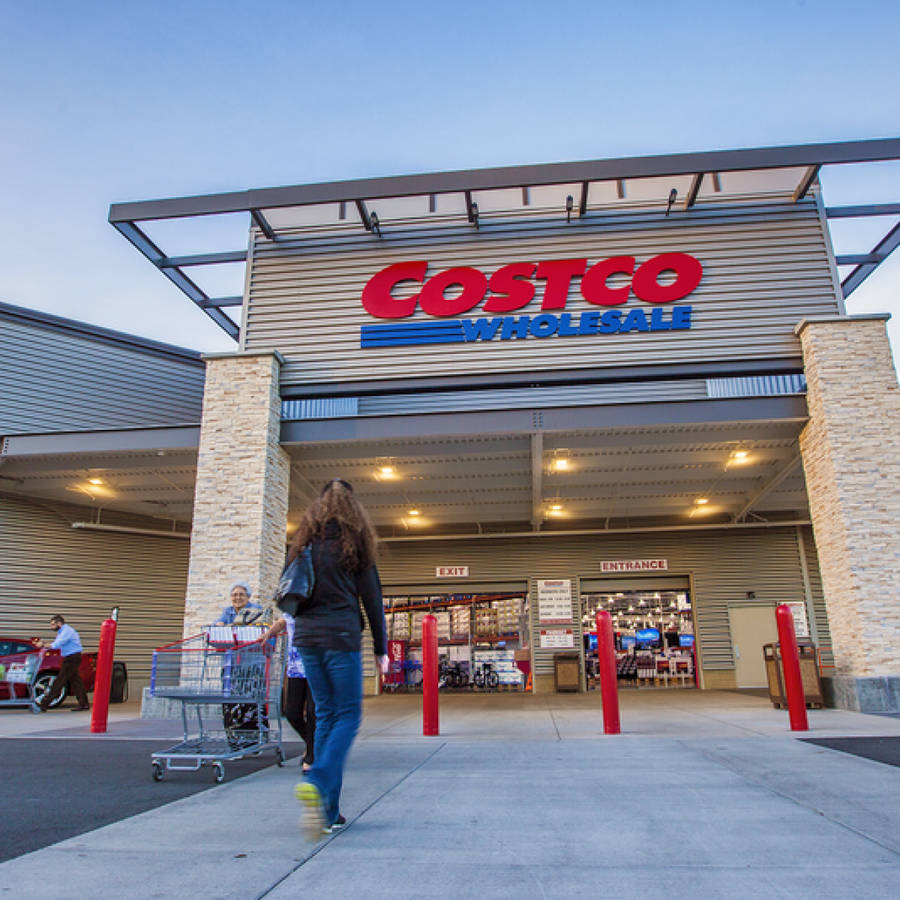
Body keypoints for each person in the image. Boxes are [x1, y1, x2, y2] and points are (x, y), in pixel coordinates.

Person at [290, 478, 389, 839]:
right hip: (341, 637)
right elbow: (372, 599)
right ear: (353, 506)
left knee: (326, 714)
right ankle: (316, 778)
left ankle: (328, 813)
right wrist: (381, 647)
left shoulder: (303, 543)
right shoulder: (357, 544)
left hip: (307, 638)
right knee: (348, 715)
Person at [261, 613, 316, 771]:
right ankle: (314, 744)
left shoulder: (321, 604)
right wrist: (269, 633)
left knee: (313, 712)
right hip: (295, 669)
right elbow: (282, 622)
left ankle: (311, 757)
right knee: (292, 713)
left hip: (317, 668)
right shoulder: (293, 606)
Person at [34, 615, 90, 712]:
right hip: (71, 657)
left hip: (72, 658)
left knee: (60, 680)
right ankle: (84, 704)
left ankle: (44, 704)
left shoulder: (66, 631)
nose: (51, 627)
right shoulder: (62, 632)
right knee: (76, 682)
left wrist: (43, 645)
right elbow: (57, 644)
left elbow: (56, 644)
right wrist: (45, 645)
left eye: (52, 625)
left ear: (59, 623)